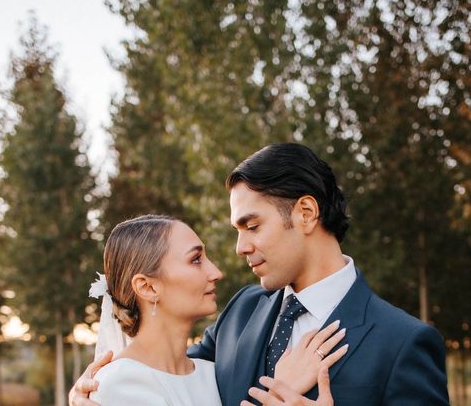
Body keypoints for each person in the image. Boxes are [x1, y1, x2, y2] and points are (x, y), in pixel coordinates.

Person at [72, 143, 450, 405]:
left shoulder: (404, 343)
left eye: (252, 226)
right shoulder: (243, 310)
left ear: (305, 213)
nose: (240, 248)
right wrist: (96, 390)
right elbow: (169, 374)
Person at [75, 214, 345, 406]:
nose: (216, 272)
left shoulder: (211, 373)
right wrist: (280, 390)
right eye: (195, 260)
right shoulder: (120, 383)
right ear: (147, 287)